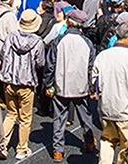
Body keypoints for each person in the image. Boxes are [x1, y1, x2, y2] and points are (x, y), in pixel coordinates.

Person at [44, 10, 96, 162]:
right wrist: (92, 87)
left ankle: (58, 151)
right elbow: (91, 68)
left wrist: (48, 84)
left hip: (61, 85)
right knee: (85, 116)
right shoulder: (87, 43)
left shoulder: (59, 41)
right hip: (81, 86)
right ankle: (88, 142)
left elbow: (50, 65)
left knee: (59, 118)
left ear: (68, 22)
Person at [92, 23, 128, 164]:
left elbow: (94, 80)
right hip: (126, 110)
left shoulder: (102, 56)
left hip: (106, 108)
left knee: (106, 141)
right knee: (126, 147)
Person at [0, 9, 45, 159]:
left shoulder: (10, 37)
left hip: (9, 79)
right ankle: (21, 148)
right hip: (26, 82)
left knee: (11, 113)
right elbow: (40, 63)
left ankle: (2, 143)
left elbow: (3, 54)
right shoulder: (37, 42)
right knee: (25, 118)